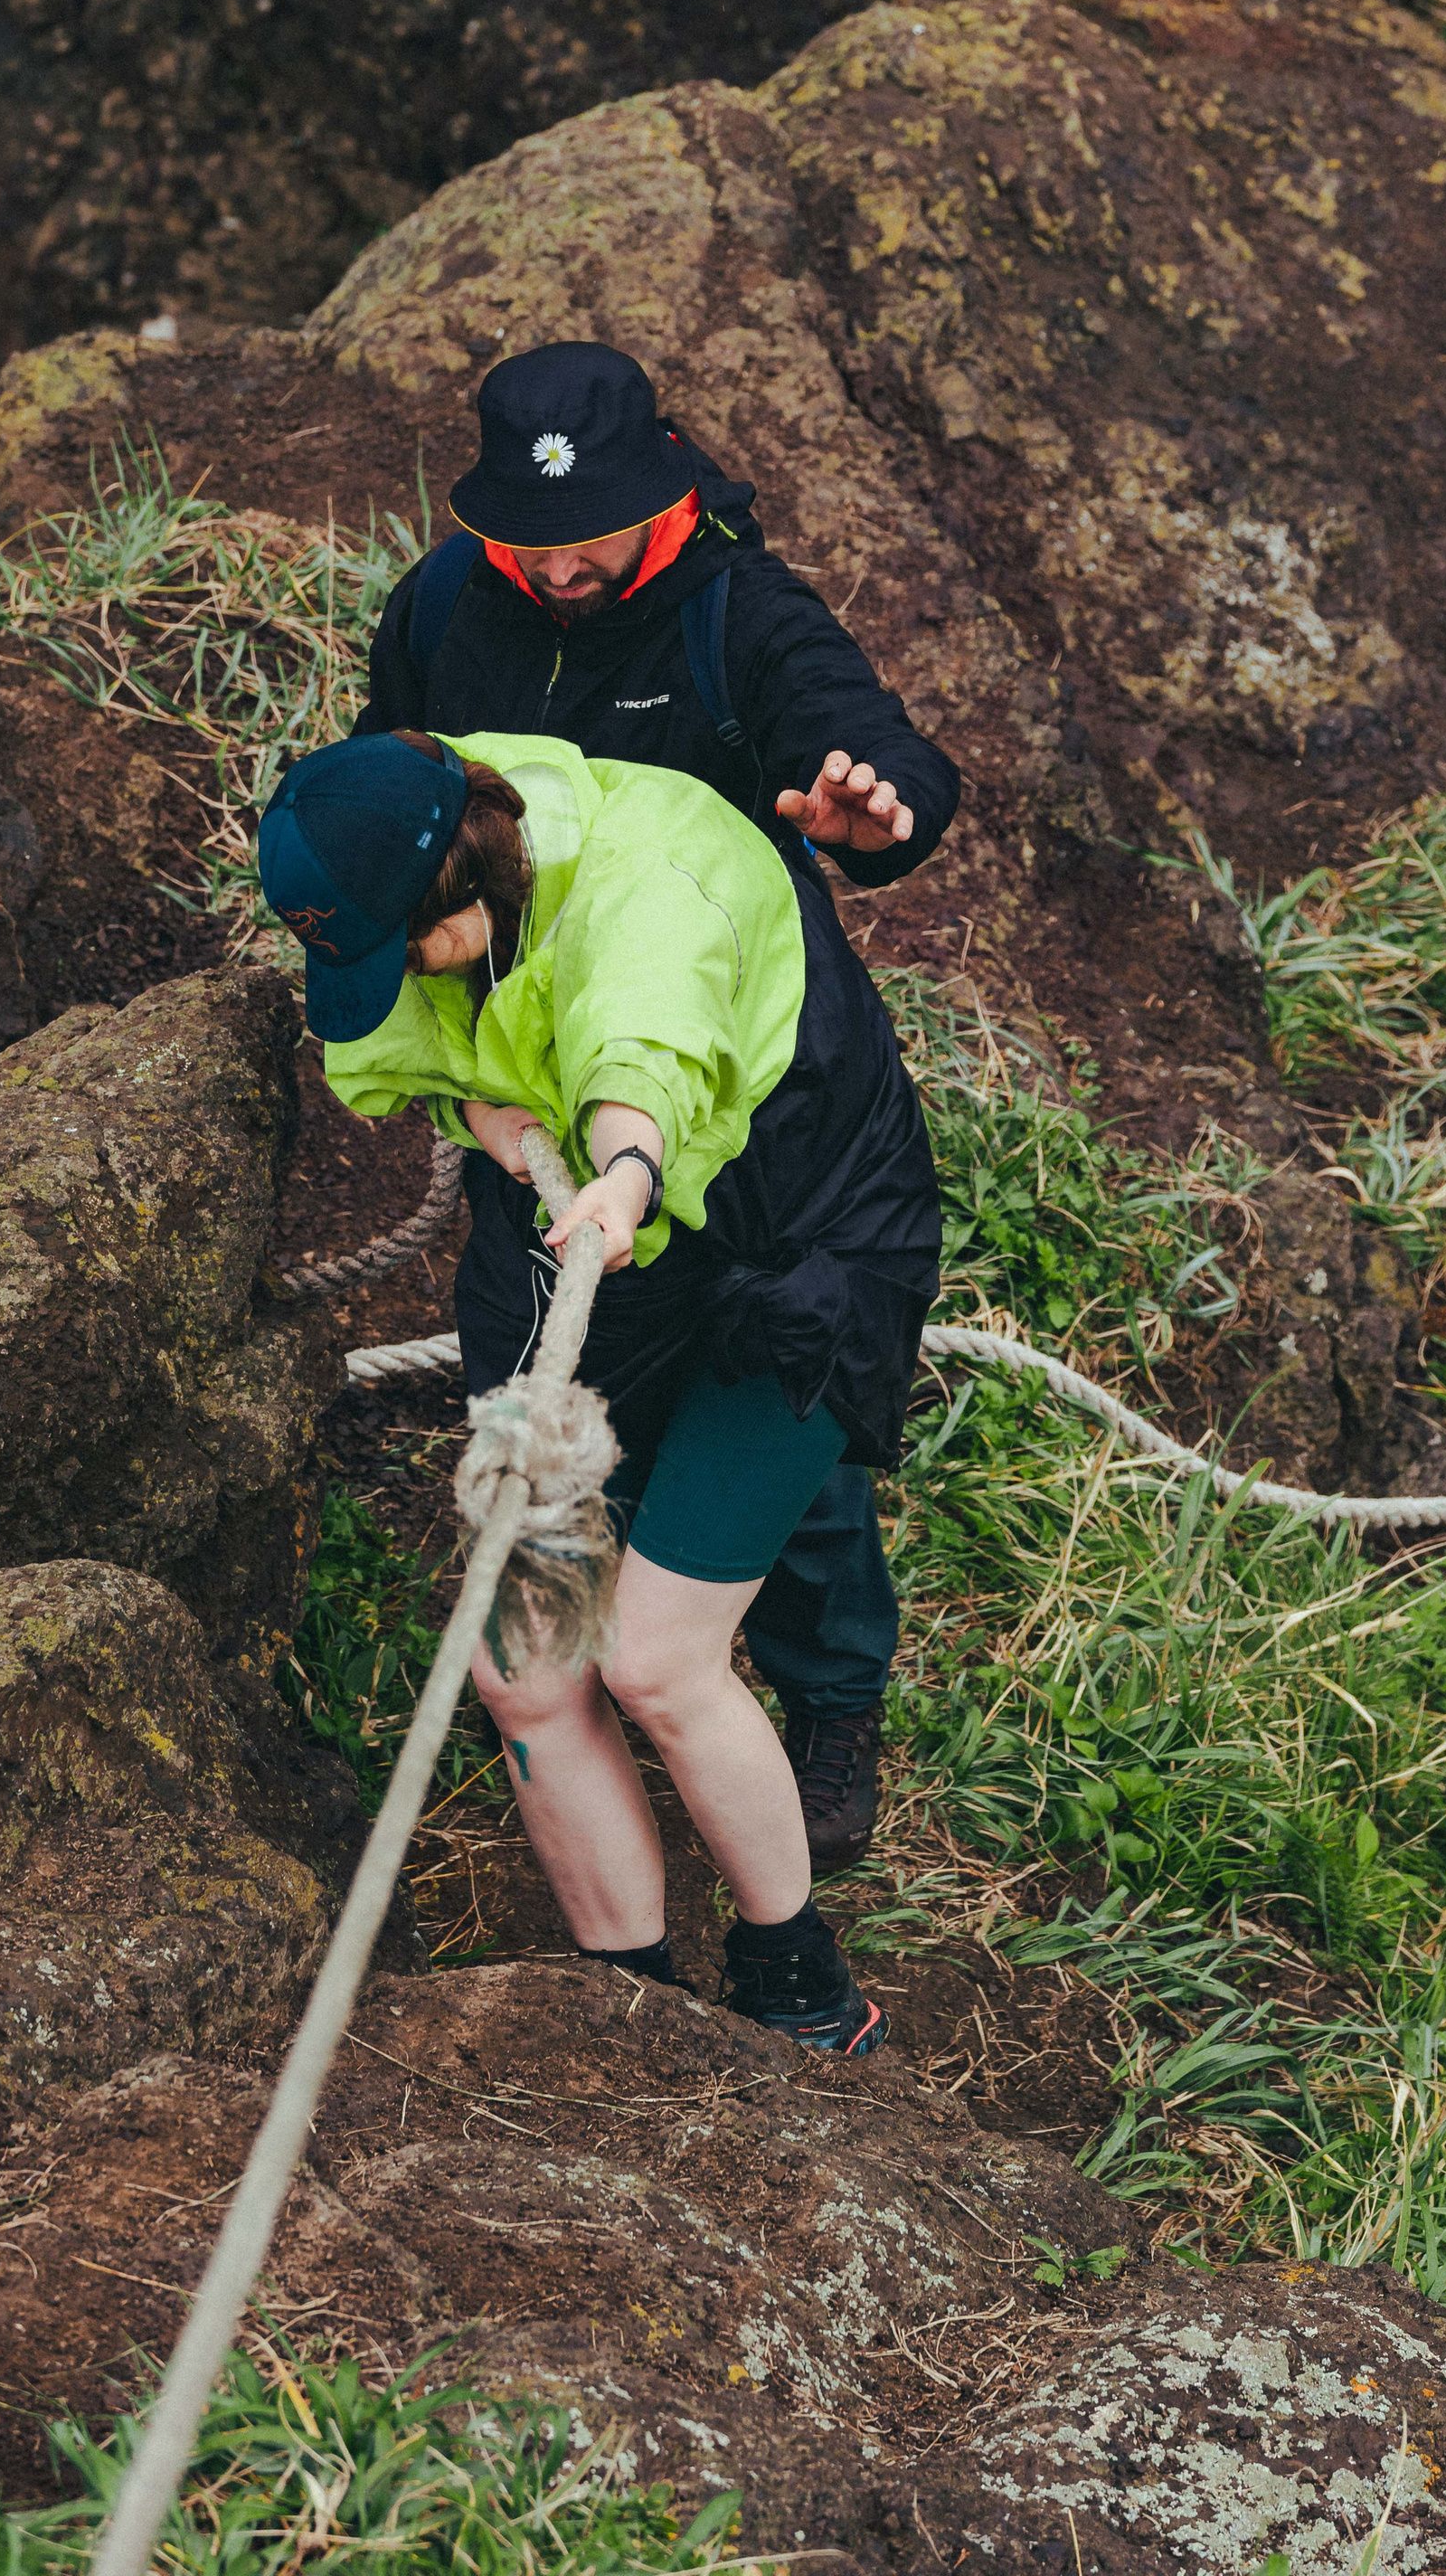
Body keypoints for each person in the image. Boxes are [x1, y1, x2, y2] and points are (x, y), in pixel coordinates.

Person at [351, 340, 959, 1872]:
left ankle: (830, 1696)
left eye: (593, 539)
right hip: (549, 1077)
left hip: (761, 1094)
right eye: (531, 543)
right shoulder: (441, 607)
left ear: (661, 494)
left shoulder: (733, 610)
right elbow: (395, 785)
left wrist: (873, 816)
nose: (563, 570)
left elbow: (872, 742)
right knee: (600, 1386)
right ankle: (591, 1685)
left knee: (784, 1410)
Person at [257, 722, 941, 2051]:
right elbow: (412, 1055)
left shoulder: (646, 891)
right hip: (588, 1246)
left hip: (797, 1247)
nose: (397, 976)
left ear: (468, 883)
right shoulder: (395, 851)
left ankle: (798, 1977)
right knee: (524, 1668)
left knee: (655, 1659)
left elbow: (644, 1051)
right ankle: (632, 2003)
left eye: (407, 949)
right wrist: (491, 1120)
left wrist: (621, 1176)